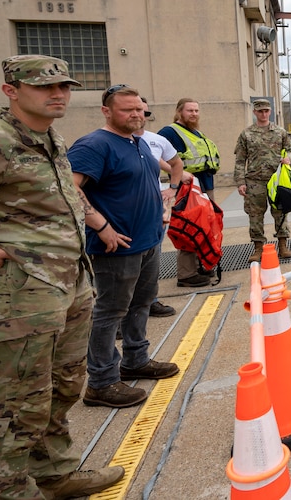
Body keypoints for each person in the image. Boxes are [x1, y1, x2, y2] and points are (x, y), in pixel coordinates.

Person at [0, 55, 124, 499]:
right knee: (12, 401)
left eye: (64, 87)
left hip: (66, 286)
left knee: (62, 387)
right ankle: (2, 491)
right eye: (44, 87)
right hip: (18, 298)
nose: (58, 95)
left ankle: (54, 472)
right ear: (10, 91)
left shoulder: (48, 138)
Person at [70, 85, 180, 409]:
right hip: (117, 246)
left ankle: (136, 359)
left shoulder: (139, 143)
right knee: (110, 310)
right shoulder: (94, 145)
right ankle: (101, 382)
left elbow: (147, 183)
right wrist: (102, 227)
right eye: (127, 110)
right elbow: (70, 189)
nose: (136, 115)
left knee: (142, 302)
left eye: (139, 110)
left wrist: (160, 211)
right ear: (107, 111)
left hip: (147, 241)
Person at [158, 98, 220, 287]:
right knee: (189, 227)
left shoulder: (196, 132)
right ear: (179, 112)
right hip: (187, 189)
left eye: (196, 110)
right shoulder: (170, 132)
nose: (194, 114)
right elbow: (154, 153)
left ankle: (202, 266)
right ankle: (187, 274)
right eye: (189, 111)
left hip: (203, 186)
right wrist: (176, 173)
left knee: (206, 226)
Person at [136, 98, 184, 318]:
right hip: (123, 214)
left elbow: (174, 164)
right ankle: (121, 314)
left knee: (152, 258)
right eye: (132, 111)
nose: (139, 117)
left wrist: (173, 189)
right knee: (124, 265)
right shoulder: (103, 143)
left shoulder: (156, 141)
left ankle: (150, 301)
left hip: (153, 210)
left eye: (144, 113)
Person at [234, 98, 291, 262]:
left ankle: (283, 244)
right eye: (260, 111)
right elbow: (240, 160)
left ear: (270, 111)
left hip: (276, 179)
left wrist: (288, 158)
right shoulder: (246, 134)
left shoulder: (280, 132)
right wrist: (240, 182)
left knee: (280, 212)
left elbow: (289, 149)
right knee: (255, 215)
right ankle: (258, 247)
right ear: (255, 112)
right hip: (255, 180)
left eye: (266, 110)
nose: (264, 114)